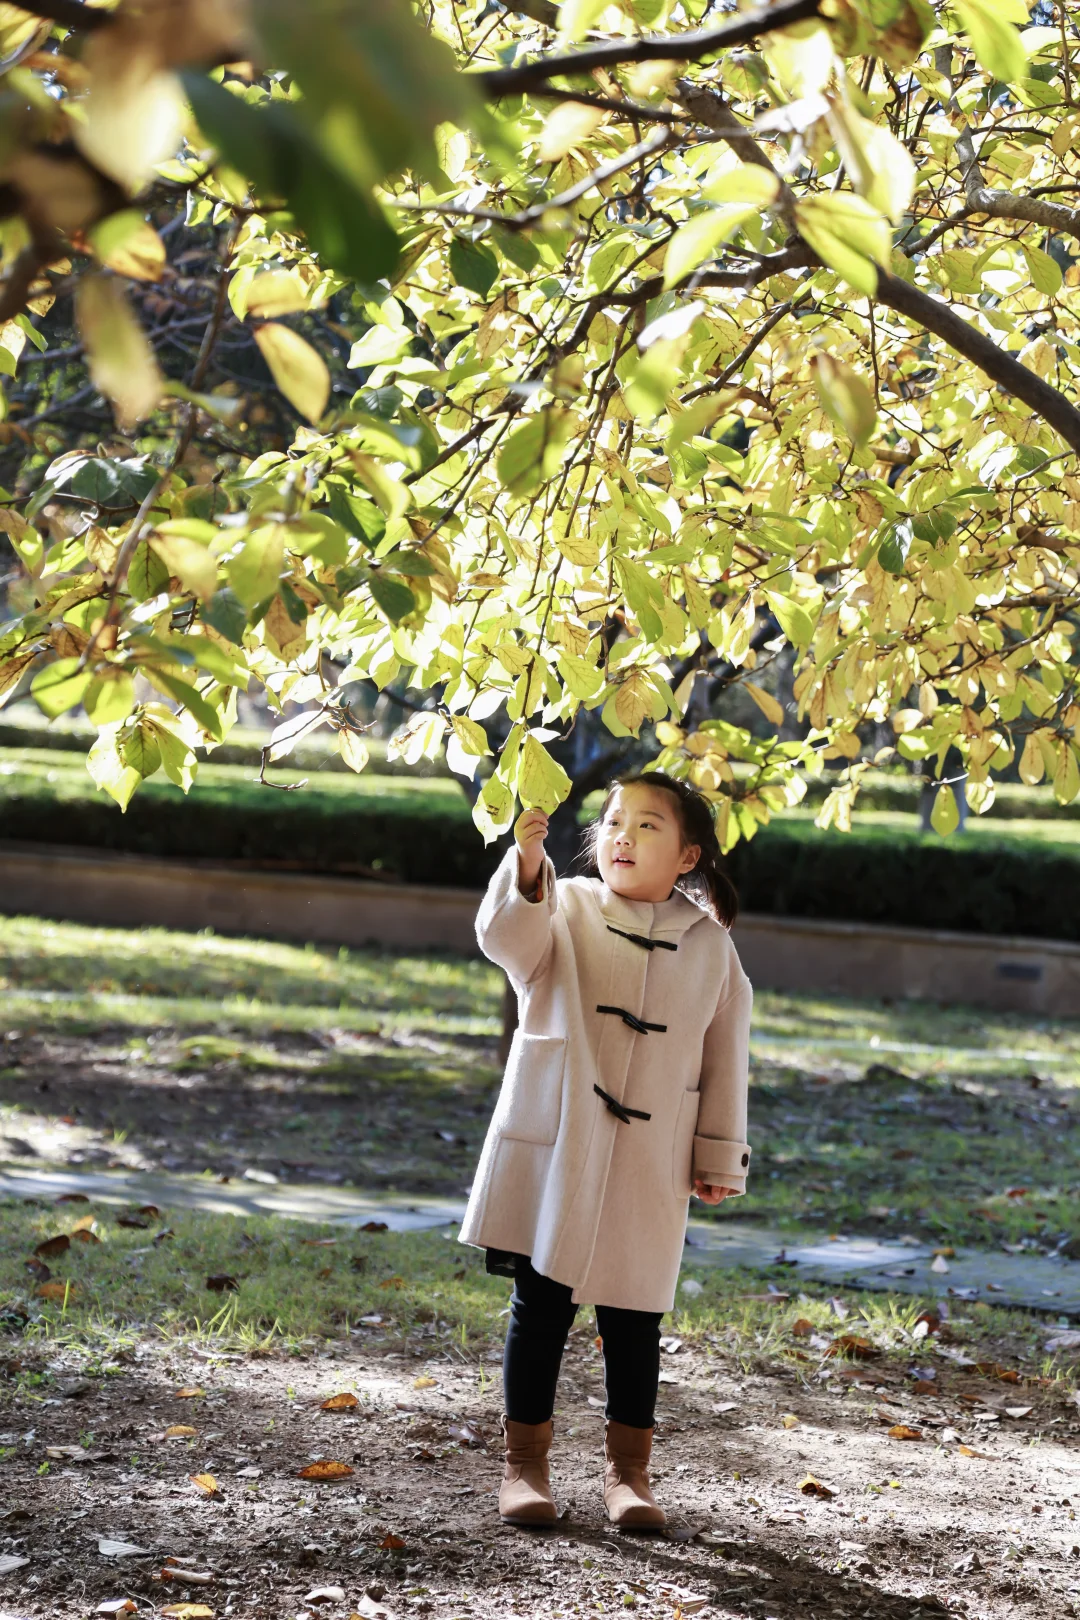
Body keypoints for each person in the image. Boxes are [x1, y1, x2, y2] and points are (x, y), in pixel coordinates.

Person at [459, 770, 753, 1531]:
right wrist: (525, 869)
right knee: (542, 1301)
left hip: (653, 1155)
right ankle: (524, 1466)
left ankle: (630, 1477)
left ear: (688, 856)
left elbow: (727, 1056)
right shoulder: (567, 909)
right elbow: (507, 940)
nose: (622, 834)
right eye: (614, 821)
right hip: (560, 1139)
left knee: (634, 1319)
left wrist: (719, 1155)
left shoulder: (711, 948)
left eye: (648, 825)